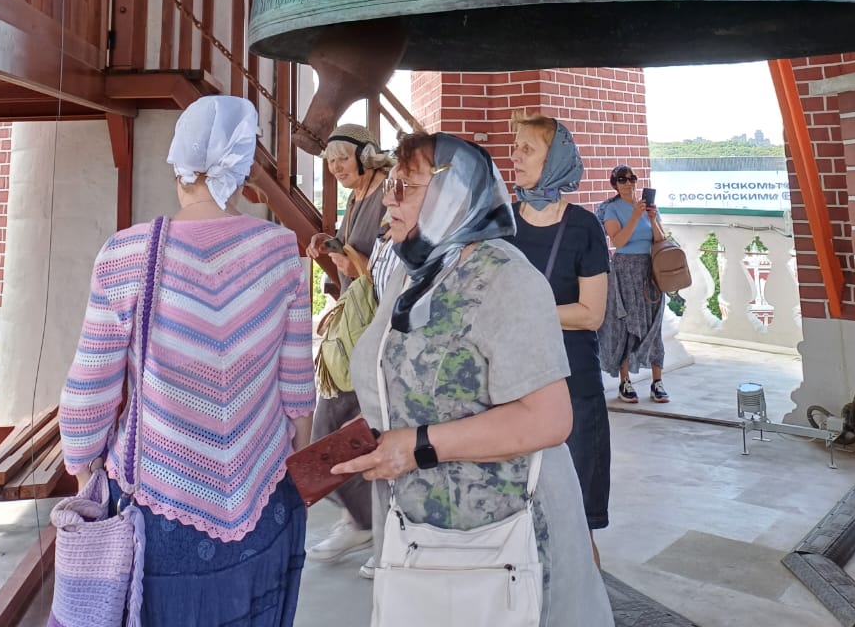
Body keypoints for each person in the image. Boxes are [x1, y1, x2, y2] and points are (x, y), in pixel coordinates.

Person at [332, 132, 613, 627]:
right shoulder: (412, 275)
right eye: (390, 186)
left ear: (454, 196)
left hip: (501, 541)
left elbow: (548, 419)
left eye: (405, 187)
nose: (389, 201)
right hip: (420, 531)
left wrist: (417, 446)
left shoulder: (506, 279)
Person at [58, 95, 316, 627]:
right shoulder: (281, 251)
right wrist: (292, 461)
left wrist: (85, 475)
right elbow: (297, 389)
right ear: (243, 170)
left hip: (157, 512)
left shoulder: (125, 254)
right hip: (264, 501)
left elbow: (88, 394)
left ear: (178, 166)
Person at [506, 112, 611, 565]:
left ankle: (585, 594)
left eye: (527, 149)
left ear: (555, 159)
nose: (515, 157)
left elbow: (591, 314)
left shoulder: (583, 227)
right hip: (512, 382)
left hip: (571, 382)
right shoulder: (502, 222)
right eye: (515, 148)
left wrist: (528, 311)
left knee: (576, 521)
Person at [305, 123, 393, 576]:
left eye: (343, 158)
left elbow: (389, 267)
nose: (337, 168)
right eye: (331, 162)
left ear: (365, 155)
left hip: (377, 332)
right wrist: (330, 247)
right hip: (352, 331)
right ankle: (363, 521)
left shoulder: (386, 194)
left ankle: (375, 527)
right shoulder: (357, 197)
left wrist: (350, 261)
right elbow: (353, 259)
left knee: (362, 432)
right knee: (330, 433)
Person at [597, 165, 670, 404]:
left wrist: (652, 218)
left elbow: (660, 239)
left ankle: (657, 381)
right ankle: (625, 381)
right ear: (615, 184)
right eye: (622, 179)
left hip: (650, 270)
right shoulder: (612, 209)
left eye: (632, 178)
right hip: (625, 270)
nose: (628, 183)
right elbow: (618, 241)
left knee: (654, 323)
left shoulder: (647, 207)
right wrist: (635, 217)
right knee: (626, 326)